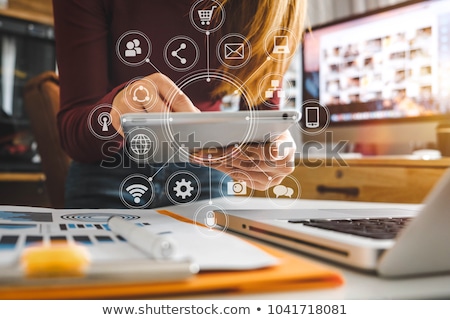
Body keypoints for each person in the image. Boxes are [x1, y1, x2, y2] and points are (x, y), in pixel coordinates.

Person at [52, 0, 307, 209]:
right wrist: (116, 110)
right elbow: (74, 136)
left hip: (207, 168)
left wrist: (272, 147)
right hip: (107, 170)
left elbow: (263, 116)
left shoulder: (273, 5)